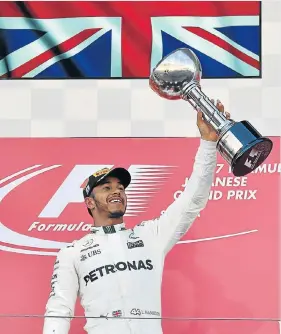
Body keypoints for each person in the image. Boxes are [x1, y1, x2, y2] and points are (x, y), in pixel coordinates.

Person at [43, 101, 230, 334]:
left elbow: (193, 200)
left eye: (120, 187)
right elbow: (59, 311)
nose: (117, 191)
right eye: (106, 187)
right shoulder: (72, 253)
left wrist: (208, 144)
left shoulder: (150, 235)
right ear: (89, 202)